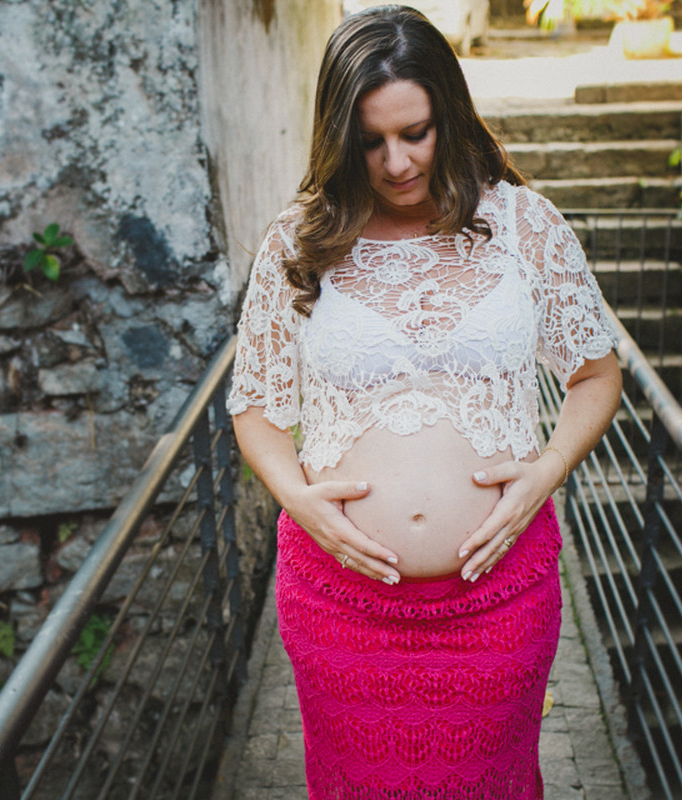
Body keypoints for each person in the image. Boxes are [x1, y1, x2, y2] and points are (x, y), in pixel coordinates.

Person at [227, 5, 622, 798]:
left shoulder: (526, 224)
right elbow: (256, 406)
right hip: (340, 603)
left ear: (449, 110)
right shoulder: (299, 242)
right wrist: (299, 499)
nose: (397, 161)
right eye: (371, 141)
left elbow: (597, 374)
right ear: (340, 137)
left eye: (416, 131)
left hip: (498, 597)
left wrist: (547, 471)